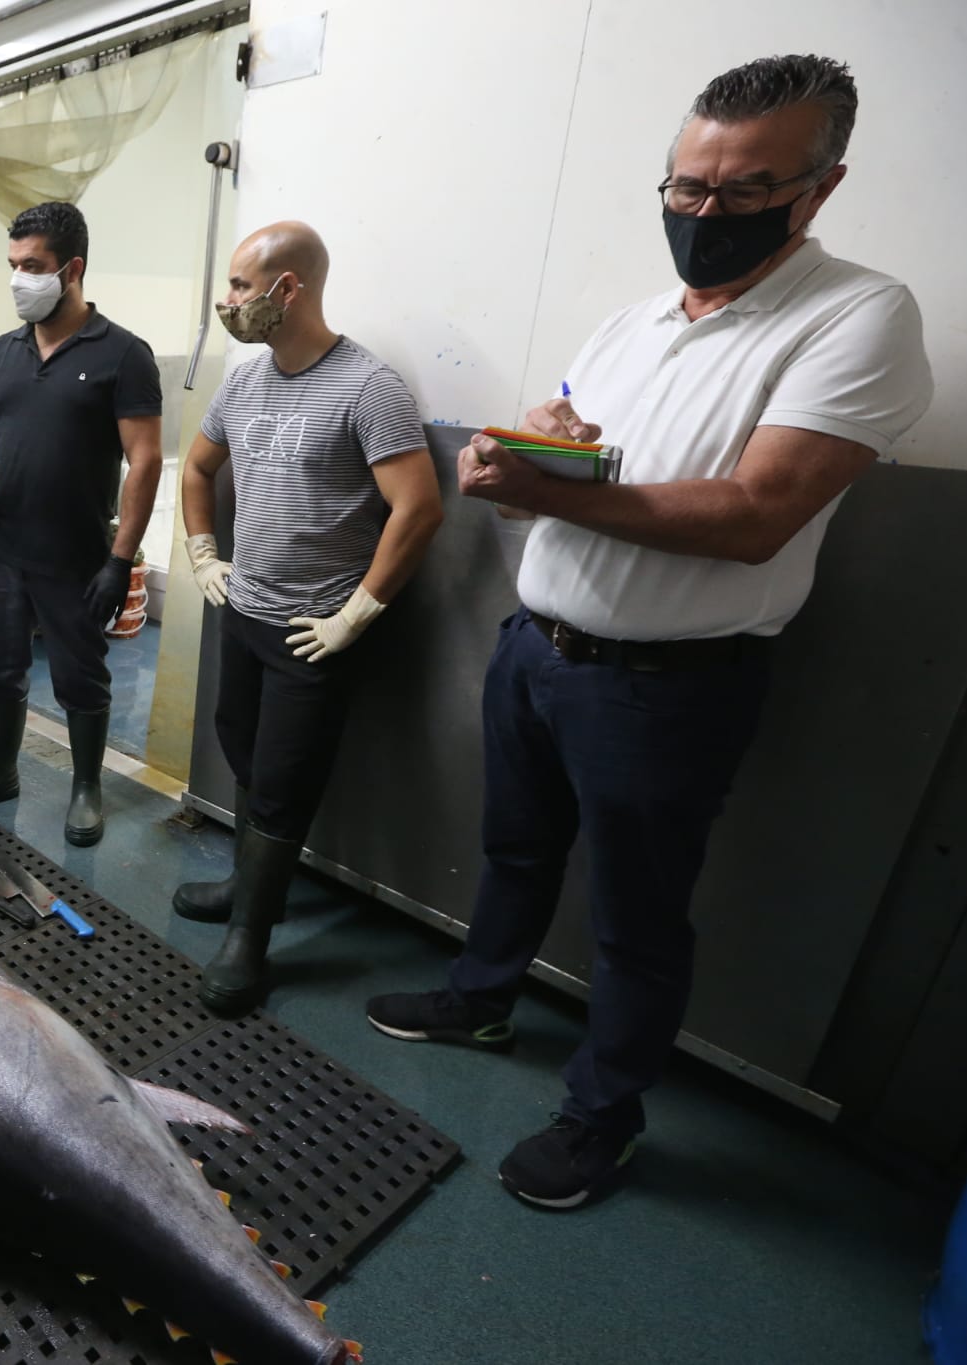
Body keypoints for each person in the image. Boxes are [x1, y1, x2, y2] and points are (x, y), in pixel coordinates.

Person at [366, 54, 933, 1209]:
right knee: (514, 852)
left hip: (666, 684)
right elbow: (573, 442)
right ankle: (480, 1000)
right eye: (683, 189)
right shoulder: (633, 323)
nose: (702, 214)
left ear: (816, 190)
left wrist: (533, 490)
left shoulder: (857, 316)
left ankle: (600, 1115)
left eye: (739, 192)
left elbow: (753, 516)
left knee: (634, 920)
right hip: (537, 646)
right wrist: (529, 442)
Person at [173, 222, 442, 1015]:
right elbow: (197, 466)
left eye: (238, 287)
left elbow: (419, 510)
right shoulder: (245, 380)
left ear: (287, 290)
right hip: (245, 610)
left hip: (312, 633)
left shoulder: (368, 387)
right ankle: (246, 886)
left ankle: (250, 939)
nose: (228, 303)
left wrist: (357, 614)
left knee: (286, 784)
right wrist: (202, 553)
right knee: (245, 754)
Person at [0, 202, 163, 846]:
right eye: (12, 266)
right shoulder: (2, 354)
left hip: (76, 556)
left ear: (73, 269)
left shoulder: (123, 354)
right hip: (3, 548)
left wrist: (120, 560)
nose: (19, 280)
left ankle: (86, 787)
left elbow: (144, 461)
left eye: (31, 266)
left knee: (79, 676)